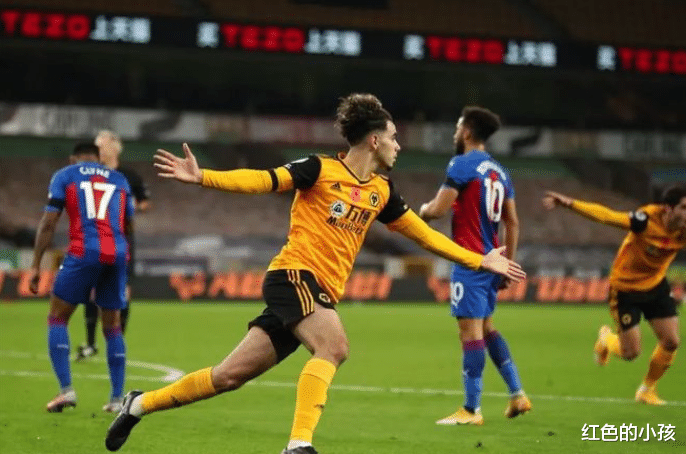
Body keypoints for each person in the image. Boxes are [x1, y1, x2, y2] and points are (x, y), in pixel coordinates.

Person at [105, 94, 527, 453]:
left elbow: (426, 236)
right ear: (375, 140)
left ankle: (138, 404)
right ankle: (298, 444)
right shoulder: (319, 169)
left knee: (228, 376)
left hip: (318, 292)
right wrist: (204, 177)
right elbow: (263, 180)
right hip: (293, 276)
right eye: (394, 137)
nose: (399, 146)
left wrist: (479, 260)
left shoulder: (382, 191)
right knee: (334, 346)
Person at [418, 106, 531, 426]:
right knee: (488, 327)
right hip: (493, 261)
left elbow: (438, 209)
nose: (456, 133)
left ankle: (471, 410)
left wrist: (422, 212)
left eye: (458, 127)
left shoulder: (462, 164)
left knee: (469, 333)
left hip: (470, 261)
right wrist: (506, 264)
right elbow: (513, 222)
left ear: (467, 132)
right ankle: (517, 394)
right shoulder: (500, 171)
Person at [542, 184, 686, 405]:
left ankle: (646, 390)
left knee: (671, 341)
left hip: (655, 285)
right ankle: (607, 339)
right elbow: (608, 216)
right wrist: (571, 204)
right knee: (631, 353)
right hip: (625, 288)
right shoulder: (646, 220)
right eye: (684, 208)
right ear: (668, 208)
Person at [28, 142, 135, 413]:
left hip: (84, 250)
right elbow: (129, 224)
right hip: (117, 252)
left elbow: (49, 223)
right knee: (112, 326)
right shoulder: (119, 179)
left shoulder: (65, 175)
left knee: (57, 317)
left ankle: (66, 391)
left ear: (73, 158)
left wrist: (36, 265)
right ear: (99, 158)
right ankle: (116, 399)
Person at [76, 130, 151, 361]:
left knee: (122, 291)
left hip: (122, 240)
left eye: (101, 145)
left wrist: (131, 205)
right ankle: (91, 344)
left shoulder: (129, 176)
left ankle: (118, 346)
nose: (97, 149)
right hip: (94, 238)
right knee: (91, 289)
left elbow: (145, 202)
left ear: (114, 148)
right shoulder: (90, 175)